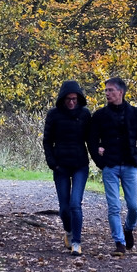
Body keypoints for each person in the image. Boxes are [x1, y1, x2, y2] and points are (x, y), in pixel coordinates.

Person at [90, 77, 137, 255]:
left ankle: (128, 228)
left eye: (110, 90)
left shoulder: (136, 114)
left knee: (134, 207)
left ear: (120, 92)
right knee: (114, 207)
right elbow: (92, 141)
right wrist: (101, 162)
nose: (107, 93)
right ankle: (119, 243)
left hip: (130, 165)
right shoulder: (99, 116)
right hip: (110, 166)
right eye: (106, 91)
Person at [42, 80, 93, 255]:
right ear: (63, 99)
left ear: (79, 99)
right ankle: (69, 232)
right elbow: (47, 141)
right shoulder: (54, 115)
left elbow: (91, 139)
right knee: (64, 208)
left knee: (75, 204)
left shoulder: (85, 114)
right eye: (69, 99)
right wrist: (52, 162)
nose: (72, 102)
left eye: (75, 99)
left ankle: (77, 242)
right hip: (61, 165)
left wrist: (100, 154)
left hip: (80, 164)